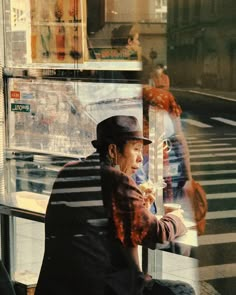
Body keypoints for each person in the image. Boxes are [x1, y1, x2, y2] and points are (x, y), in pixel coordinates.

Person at [35, 115, 195, 295]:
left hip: (56, 286)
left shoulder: (67, 171)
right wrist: (176, 218)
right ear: (112, 150)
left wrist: (138, 204)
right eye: (135, 149)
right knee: (184, 290)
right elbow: (156, 234)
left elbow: (99, 220)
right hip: (101, 288)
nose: (141, 159)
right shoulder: (116, 180)